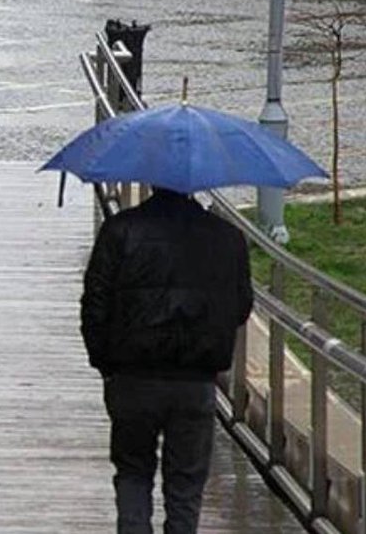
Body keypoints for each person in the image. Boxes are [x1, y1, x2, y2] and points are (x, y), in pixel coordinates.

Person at [81, 187, 253, 534]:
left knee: (132, 473)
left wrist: (106, 364)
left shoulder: (120, 231)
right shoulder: (227, 237)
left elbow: (94, 306)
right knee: (186, 484)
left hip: (131, 375)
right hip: (196, 379)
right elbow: (240, 306)